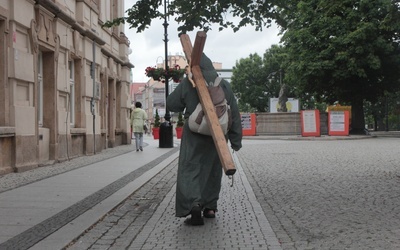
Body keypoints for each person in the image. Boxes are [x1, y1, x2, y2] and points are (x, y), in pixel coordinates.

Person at [166, 53, 242, 225]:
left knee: (190, 168)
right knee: (212, 170)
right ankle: (209, 207)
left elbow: (172, 104)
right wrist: (236, 141)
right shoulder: (224, 85)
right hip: (218, 135)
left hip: (194, 134)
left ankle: (194, 203)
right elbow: (234, 114)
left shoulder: (189, 83)